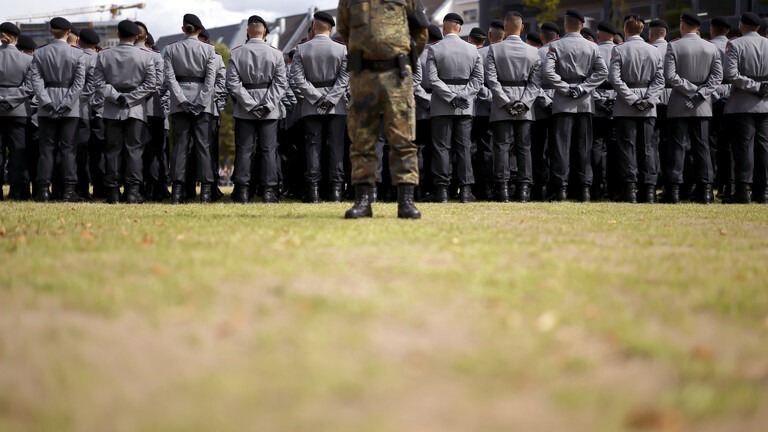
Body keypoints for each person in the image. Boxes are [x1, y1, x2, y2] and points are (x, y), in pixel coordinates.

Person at [337, 0, 429, 219]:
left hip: (397, 76)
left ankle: (406, 202)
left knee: (403, 138)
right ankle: (363, 201)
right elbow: (344, 29)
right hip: (363, 76)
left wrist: (405, 59)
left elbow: (420, 31)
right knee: (362, 139)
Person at [543, 9, 608, 202]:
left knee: (561, 148)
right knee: (584, 147)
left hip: (563, 102)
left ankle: (561, 190)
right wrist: (582, 88)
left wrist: (565, 88)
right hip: (584, 102)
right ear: (582, 26)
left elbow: (549, 73)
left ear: (565, 25)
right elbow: (602, 72)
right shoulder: (592, 47)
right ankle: (584, 190)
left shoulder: (555, 46)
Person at [91, 20, 156, 203]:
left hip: (112, 108)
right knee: (134, 150)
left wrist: (116, 97)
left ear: (118, 35)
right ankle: (133, 192)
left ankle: (113, 192)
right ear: (137, 37)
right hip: (135, 109)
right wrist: (131, 98)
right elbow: (151, 84)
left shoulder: (103, 55)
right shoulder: (145, 56)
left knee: (112, 150)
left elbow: (98, 82)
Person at [662, 12, 722, 204]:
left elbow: (670, 76)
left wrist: (691, 90)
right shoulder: (710, 47)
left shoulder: (674, 45)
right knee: (702, 147)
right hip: (702, 104)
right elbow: (717, 78)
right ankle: (705, 192)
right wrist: (701, 93)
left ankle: (673, 192)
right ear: (698, 27)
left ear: (682, 25)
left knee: (677, 147)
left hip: (680, 101)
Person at [226, 15, 287, 203]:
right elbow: (281, 83)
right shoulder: (276, 53)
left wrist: (251, 105)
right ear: (265, 32)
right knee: (269, 150)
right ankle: (269, 192)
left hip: (245, 108)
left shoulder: (236, 53)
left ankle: (243, 191)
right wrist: (267, 104)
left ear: (247, 31)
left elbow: (233, 84)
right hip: (270, 108)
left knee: (244, 150)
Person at [291, 11, 350, 203]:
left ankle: (313, 192)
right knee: (336, 147)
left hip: (311, 105)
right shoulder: (341, 49)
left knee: (313, 147)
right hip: (336, 106)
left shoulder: (301, 49)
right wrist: (330, 99)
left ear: (314, 28)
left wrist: (317, 99)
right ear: (331, 29)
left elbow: (297, 80)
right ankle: (336, 192)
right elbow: (345, 79)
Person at [28, 17, 87, 202]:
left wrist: (46, 102)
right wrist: (67, 103)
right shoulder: (78, 54)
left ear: (51, 31)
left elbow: (36, 82)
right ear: (69, 32)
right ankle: (69, 191)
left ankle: (43, 191)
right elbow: (79, 84)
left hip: (47, 107)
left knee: (46, 149)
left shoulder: (39, 53)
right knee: (69, 150)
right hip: (70, 108)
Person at [607, 14, 665, 203]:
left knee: (627, 148)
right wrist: (648, 98)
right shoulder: (654, 50)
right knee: (647, 147)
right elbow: (660, 79)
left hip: (625, 105)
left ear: (625, 29)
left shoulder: (619, 50)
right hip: (648, 106)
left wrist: (632, 99)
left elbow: (615, 79)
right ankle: (648, 190)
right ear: (643, 30)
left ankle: (630, 189)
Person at [427, 13, 484, 203]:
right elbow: (478, 80)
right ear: (460, 29)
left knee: (441, 148)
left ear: (444, 28)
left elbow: (433, 80)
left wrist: (451, 98)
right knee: (464, 148)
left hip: (442, 104)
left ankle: (442, 191)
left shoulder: (434, 50)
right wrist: (463, 96)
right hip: (465, 106)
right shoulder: (473, 49)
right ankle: (466, 192)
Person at [485, 11, 541, 203]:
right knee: (524, 148)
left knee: (501, 147)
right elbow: (536, 83)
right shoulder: (534, 51)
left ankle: (502, 190)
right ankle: (524, 190)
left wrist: (505, 102)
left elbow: (491, 80)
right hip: (525, 105)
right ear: (522, 28)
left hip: (502, 104)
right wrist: (524, 103)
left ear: (505, 28)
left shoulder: (494, 50)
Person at [164, 13, 218, 204]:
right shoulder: (209, 50)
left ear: (183, 29)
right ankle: (205, 193)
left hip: (180, 103)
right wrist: (201, 102)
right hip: (203, 104)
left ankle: (177, 193)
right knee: (204, 146)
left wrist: (182, 100)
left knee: (179, 146)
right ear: (199, 30)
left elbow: (170, 79)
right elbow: (210, 80)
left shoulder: (170, 49)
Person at [723, 12, 768, 204]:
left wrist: (755, 86)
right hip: (765, 103)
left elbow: (731, 74)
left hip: (742, 103)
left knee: (743, 148)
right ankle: (763, 192)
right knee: (763, 147)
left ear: (741, 26)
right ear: (758, 28)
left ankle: (743, 190)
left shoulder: (735, 44)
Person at [0, 22, 34, 201]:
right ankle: (16, 191)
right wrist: (10, 101)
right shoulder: (27, 59)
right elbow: (29, 87)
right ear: (17, 38)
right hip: (18, 110)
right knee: (17, 153)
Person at [135, 23, 169, 202]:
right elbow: (161, 84)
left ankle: (135, 189)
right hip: (152, 108)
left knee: (133, 151)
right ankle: (153, 189)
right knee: (153, 152)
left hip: (130, 108)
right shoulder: (155, 56)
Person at [413, 24, 443, 200]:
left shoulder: (419, 54)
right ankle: (435, 188)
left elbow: (414, 83)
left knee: (419, 150)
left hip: (420, 108)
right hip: (441, 106)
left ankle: (419, 188)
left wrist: (426, 101)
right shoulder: (441, 52)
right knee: (437, 150)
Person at [531, 22, 560, 201]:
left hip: (540, 107)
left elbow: (534, 83)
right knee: (558, 148)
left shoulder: (537, 53)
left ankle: (540, 188)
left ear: (542, 37)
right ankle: (556, 187)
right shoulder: (562, 52)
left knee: (539, 149)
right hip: (561, 103)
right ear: (557, 36)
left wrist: (545, 101)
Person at [709, 17, 734, 201]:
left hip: (711, 96)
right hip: (733, 96)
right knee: (730, 144)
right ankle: (729, 184)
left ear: (712, 30)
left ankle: (709, 183)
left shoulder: (708, 46)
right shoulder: (735, 44)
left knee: (711, 143)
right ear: (728, 31)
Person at [74, 28, 100, 201]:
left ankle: (80, 189)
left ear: (79, 41)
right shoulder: (100, 58)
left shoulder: (75, 55)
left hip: (77, 109)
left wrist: (73, 99)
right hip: (100, 110)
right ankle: (100, 189)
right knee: (100, 153)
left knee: (78, 152)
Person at [593, 21, 617, 200]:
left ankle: (596, 185)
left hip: (596, 101)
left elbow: (586, 78)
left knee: (596, 145)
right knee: (615, 147)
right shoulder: (621, 49)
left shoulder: (593, 50)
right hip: (618, 103)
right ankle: (614, 187)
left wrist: (597, 99)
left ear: (598, 35)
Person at [469, 26, 494, 200]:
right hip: (490, 109)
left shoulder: (469, 53)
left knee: (468, 150)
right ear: (485, 40)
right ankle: (485, 189)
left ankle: (469, 187)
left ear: (470, 39)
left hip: (470, 108)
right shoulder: (489, 53)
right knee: (487, 150)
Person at [649, 19, 670, 191]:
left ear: (651, 33)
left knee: (653, 142)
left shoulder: (651, 49)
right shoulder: (673, 48)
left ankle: (655, 179)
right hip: (674, 98)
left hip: (653, 98)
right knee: (673, 142)